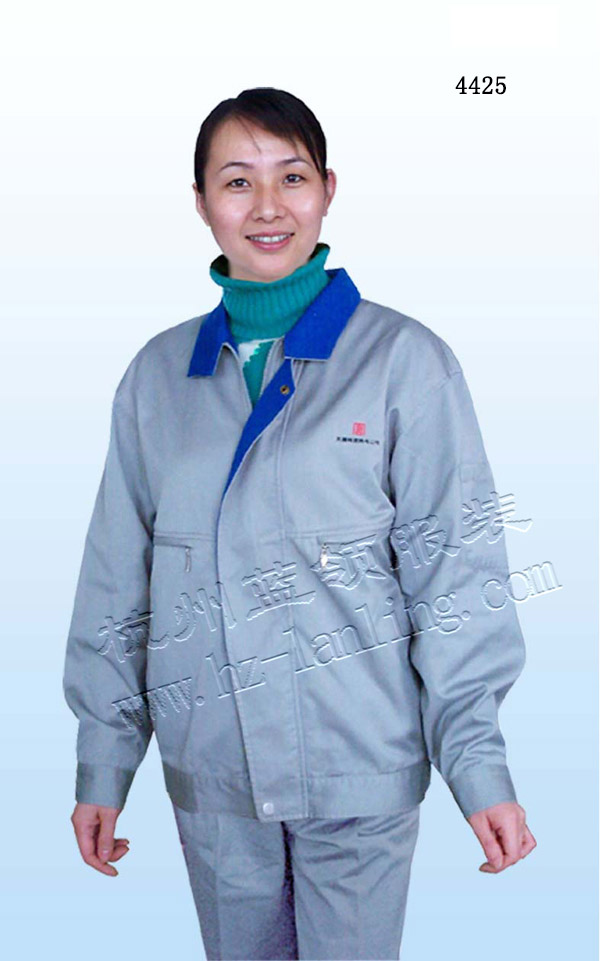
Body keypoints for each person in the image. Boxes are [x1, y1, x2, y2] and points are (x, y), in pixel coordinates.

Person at [63, 87, 536, 960]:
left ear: (328, 190)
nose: (268, 206)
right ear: (201, 203)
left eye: (292, 176)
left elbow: (456, 579)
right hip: (215, 782)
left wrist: (478, 767)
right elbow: (115, 585)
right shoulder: (157, 378)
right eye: (237, 181)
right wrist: (104, 760)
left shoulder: (404, 363)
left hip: (360, 775)